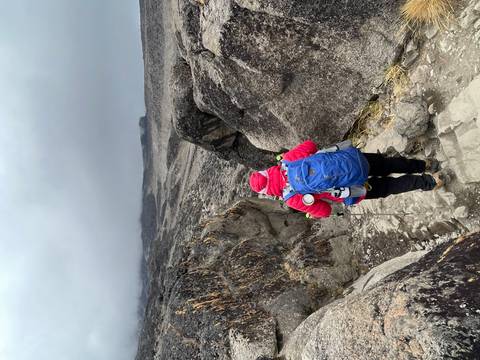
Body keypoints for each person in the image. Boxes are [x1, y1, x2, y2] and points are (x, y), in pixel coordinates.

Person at [249, 140, 446, 218]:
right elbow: (310, 144)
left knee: (388, 186)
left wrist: (312, 212)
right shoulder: (287, 161)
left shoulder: (291, 197)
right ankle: (424, 165)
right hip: (352, 160)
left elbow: (325, 211)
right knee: (387, 164)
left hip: (353, 187)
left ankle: (431, 181)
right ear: (266, 172)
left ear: (268, 192)